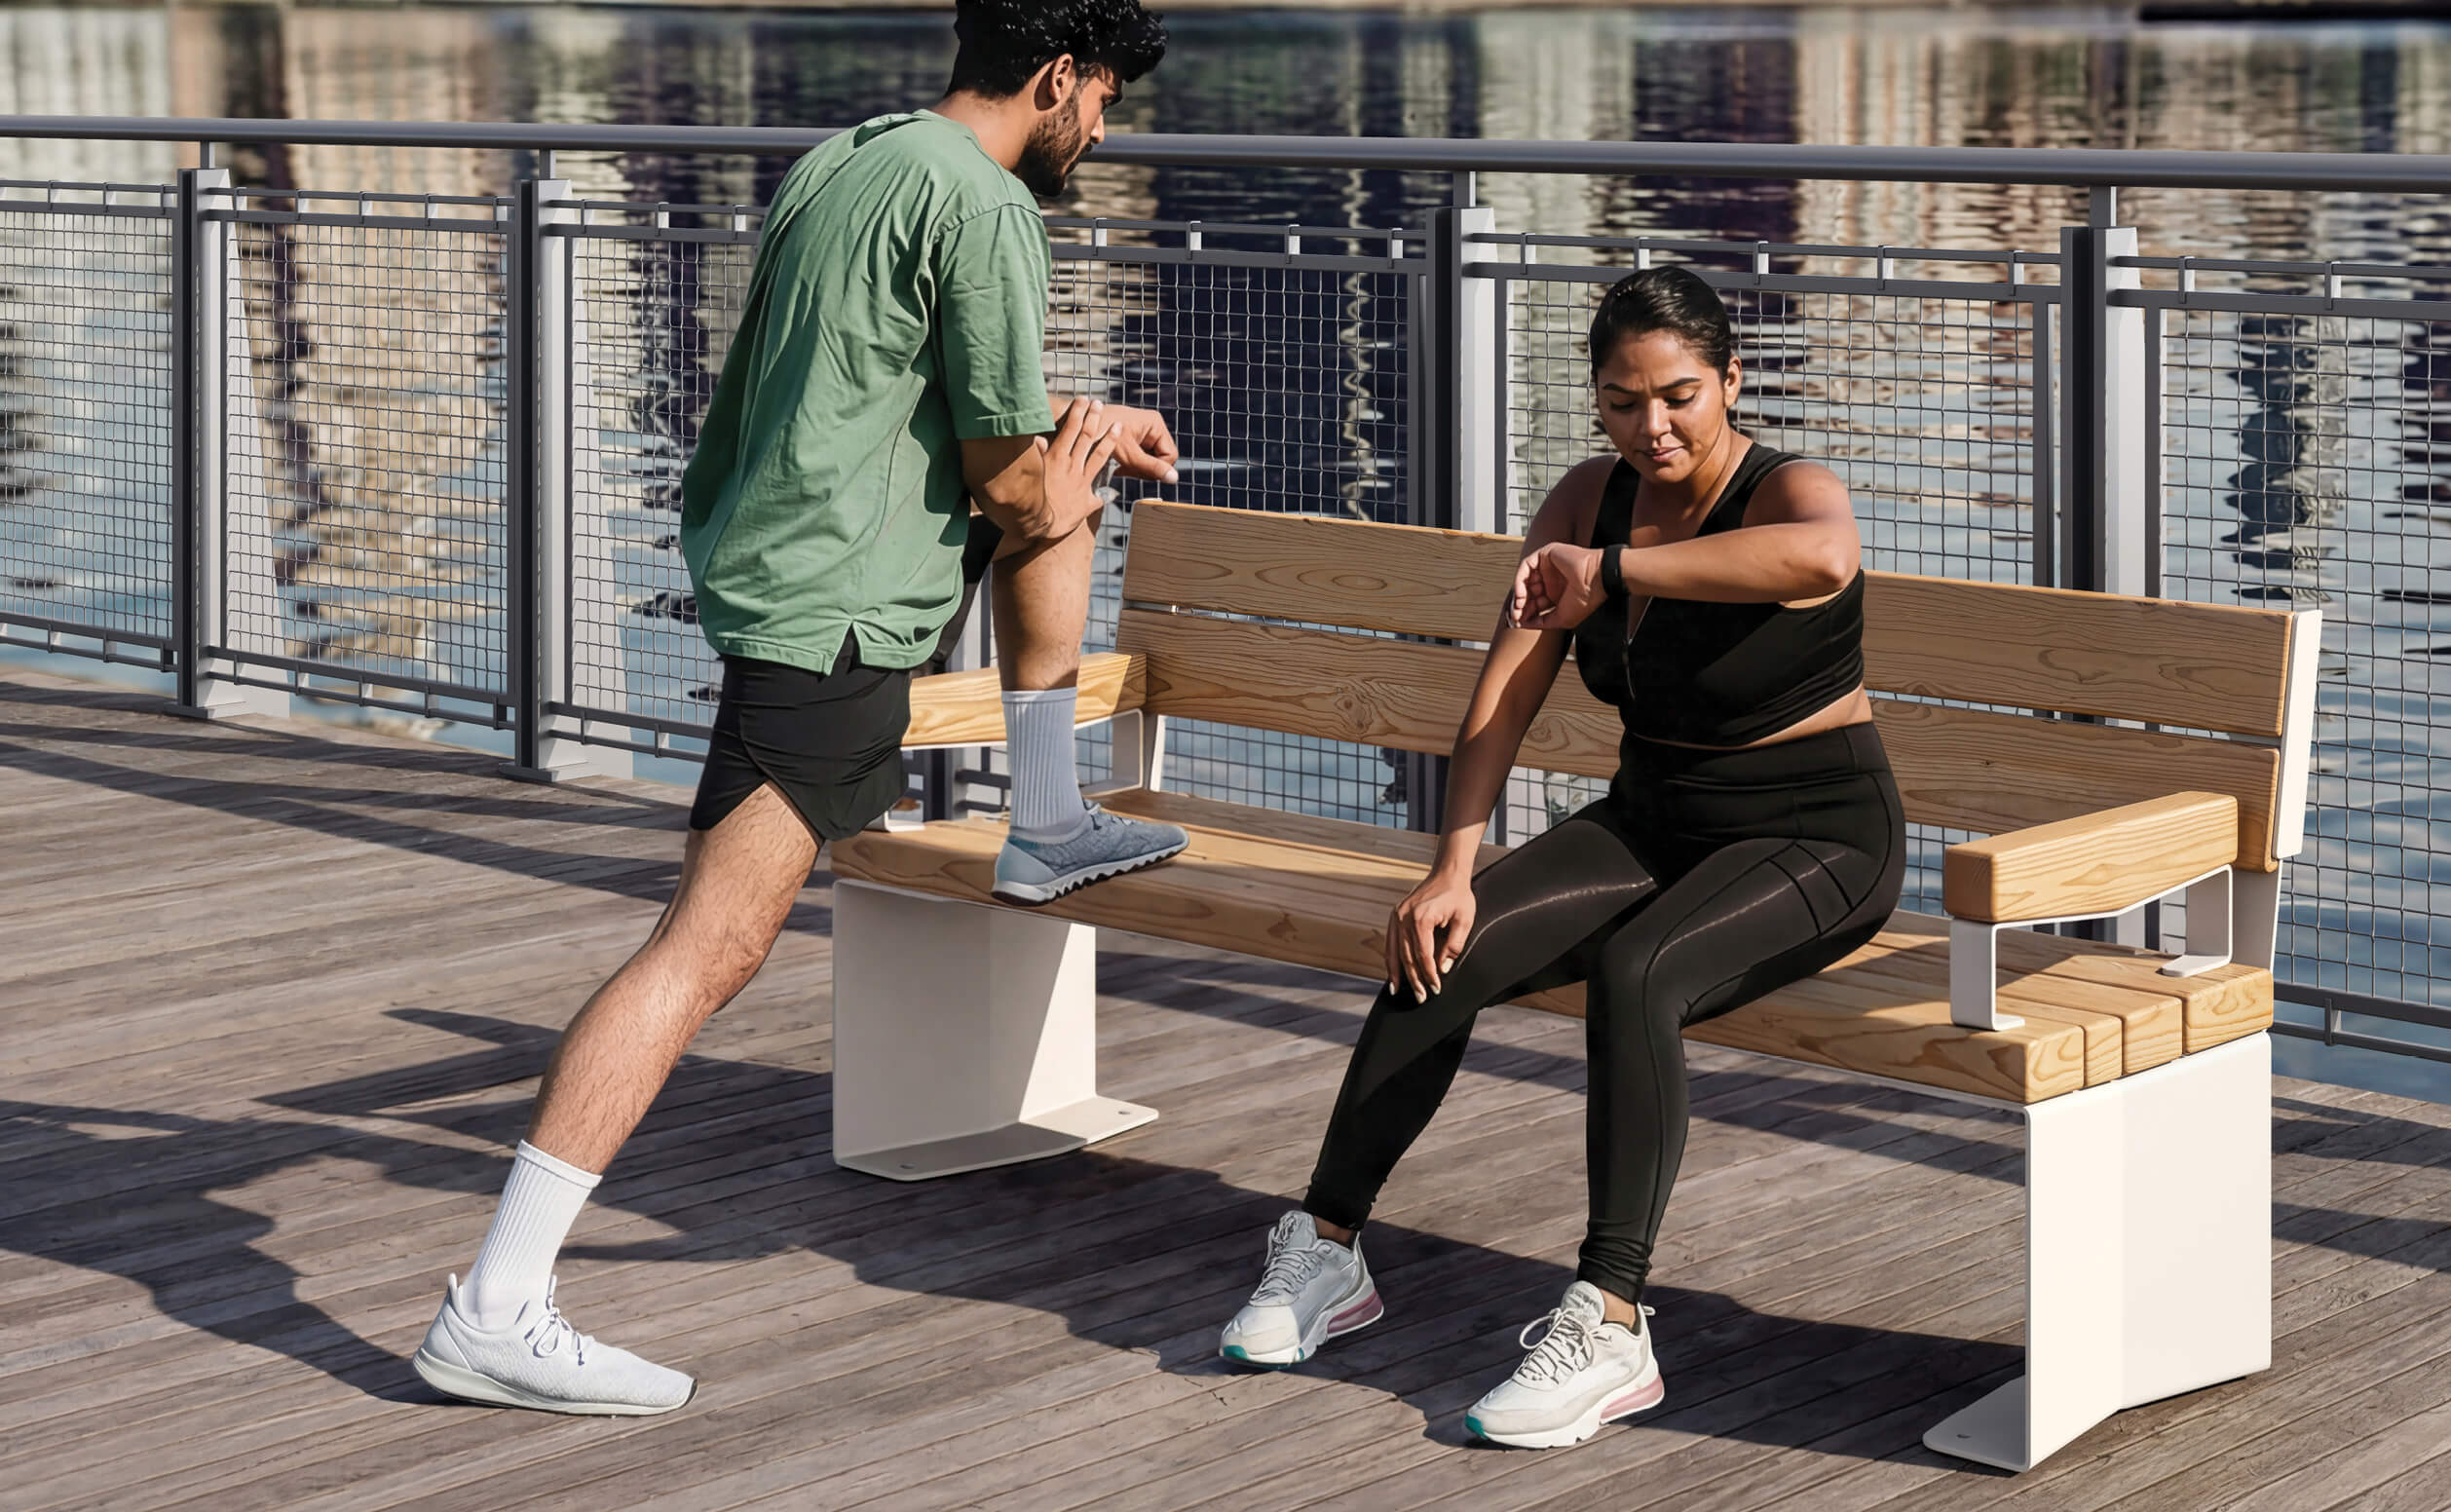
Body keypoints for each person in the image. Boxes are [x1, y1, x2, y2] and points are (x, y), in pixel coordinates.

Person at [410, 0, 1181, 1415]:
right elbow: (1011, 483)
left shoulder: (855, 158)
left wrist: (1075, 420)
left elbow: (879, 390)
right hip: (831, 616)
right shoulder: (992, 207)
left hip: (773, 577)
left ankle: (1048, 819)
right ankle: (497, 1304)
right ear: (1057, 75)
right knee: (704, 946)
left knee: (715, 937)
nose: (1102, 129)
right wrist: (1070, 471)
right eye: (1105, 99)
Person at [1217, 265, 1905, 1450]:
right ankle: (1327, 1247)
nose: (1656, 426)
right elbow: (1507, 690)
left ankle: (1614, 1318)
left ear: (1732, 380)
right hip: (1654, 814)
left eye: (1681, 395)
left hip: (1815, 835)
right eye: (1625, 402)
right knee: (1451, 937)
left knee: (1641, 968)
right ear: (1596, 403)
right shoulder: (1587, 499)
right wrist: (1450, 865)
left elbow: (1824, 561)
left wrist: (1621, 574)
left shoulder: (1784, 489)